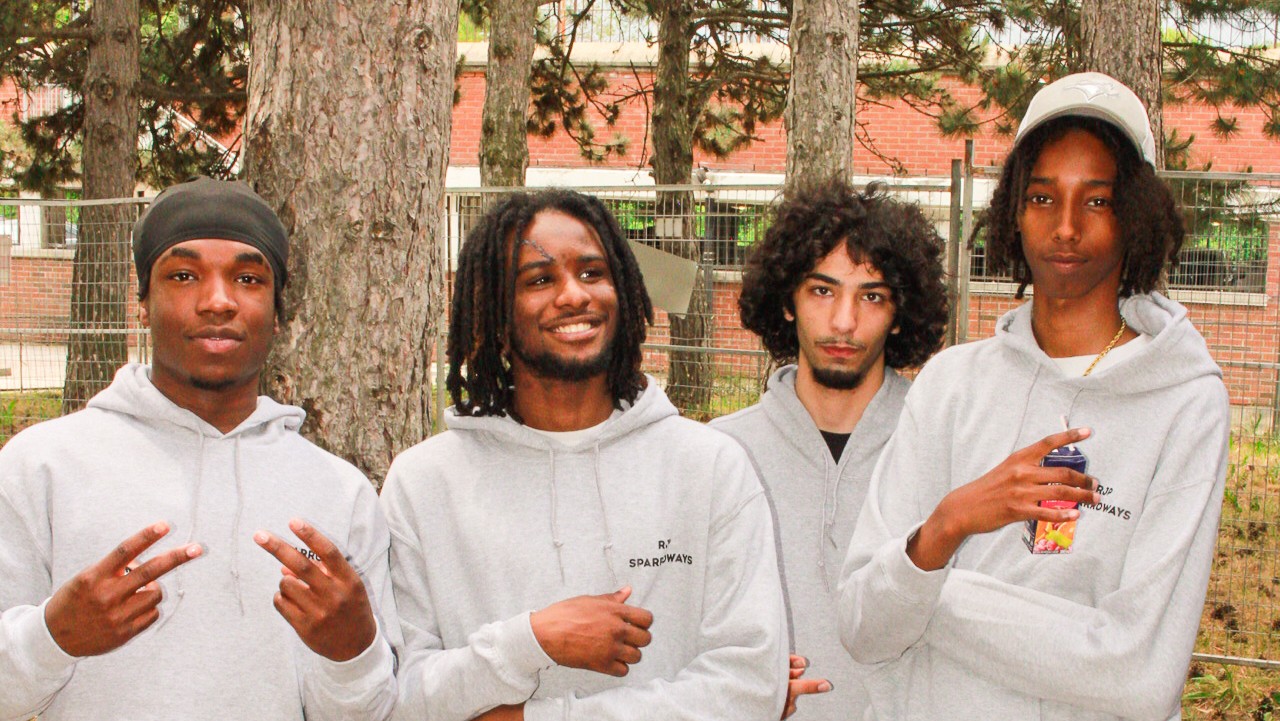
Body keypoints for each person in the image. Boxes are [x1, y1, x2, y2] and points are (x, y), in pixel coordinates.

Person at [838, 72, 1229, 720]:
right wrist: (949, 523)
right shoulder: (950, 385)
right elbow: (860, 623)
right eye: (1043, 198)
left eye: (1097, 201)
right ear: (1014, 212)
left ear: (1134, 215)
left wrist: (928, 589)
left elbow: (1138, 676)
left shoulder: (1184, 404)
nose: (1066, 227)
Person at [381, 189, 788, 721]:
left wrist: (533, 719)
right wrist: (530, 640)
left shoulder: (709, 467)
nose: (574, 295)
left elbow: (751, 685)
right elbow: (400, 694)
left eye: (593, 273)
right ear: (493, 317)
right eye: (539, 280)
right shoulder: (423, 483)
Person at [0, 177, 398, 721]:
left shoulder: (339, 492)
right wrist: (52, 639)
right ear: (142, 303)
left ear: (278, 312)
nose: (217, 302)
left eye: (248, 279)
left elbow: (371, 713)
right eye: (183, 276)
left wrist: (351, 655)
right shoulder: (41, 466)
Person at [711, 178, 947, 720]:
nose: (844, 321)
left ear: (900, 313)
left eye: (872, 296)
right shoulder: (721, 453)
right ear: (787, 301)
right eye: (822, 291)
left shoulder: (942, 447)